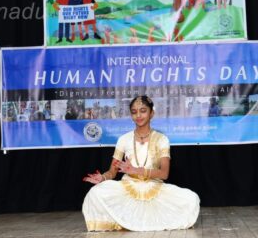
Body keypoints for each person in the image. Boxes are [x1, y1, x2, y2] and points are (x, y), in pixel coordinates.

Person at [82, 95, 200, 231]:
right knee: (95, 193)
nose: (138, 115)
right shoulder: (124, 139)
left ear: (152, 113)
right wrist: (102, 177)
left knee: (191, 199)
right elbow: (112, 172)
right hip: (127, 187)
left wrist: (137, 170)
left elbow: (164, 174)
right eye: (134, 112)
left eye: (143, 111)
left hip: (154, 187)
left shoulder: (161, 139)